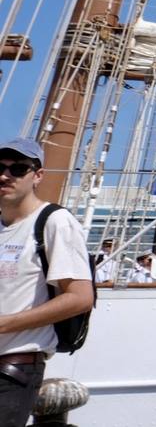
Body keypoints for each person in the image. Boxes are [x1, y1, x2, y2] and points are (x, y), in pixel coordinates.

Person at [0, 137, 95, 427]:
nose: (5, 175)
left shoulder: (54, 221)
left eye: (18, 169)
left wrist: (4, 324)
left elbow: (80, 297)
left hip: (11, 371)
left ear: (37, 176)